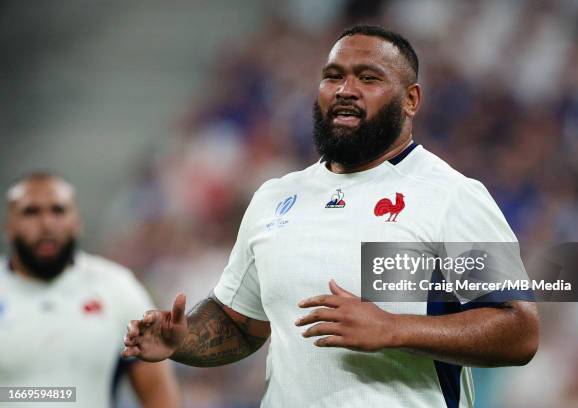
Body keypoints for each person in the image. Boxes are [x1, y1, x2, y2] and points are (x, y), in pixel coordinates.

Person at [123, 25, 539, 407]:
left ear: (411, 99)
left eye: (368, 77)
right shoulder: (275, 196)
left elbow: (519, 330)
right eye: (333, 75)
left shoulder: (453, 196)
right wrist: (182, 339)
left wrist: (395, 329)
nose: (345, 89)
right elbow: (239, 324)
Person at [0, 172, 180, 408]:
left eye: (58, 210)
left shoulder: (116, 288)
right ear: (9, 227)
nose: (46, 224)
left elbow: (159, 395)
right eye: (31, 212)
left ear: (77, 223)